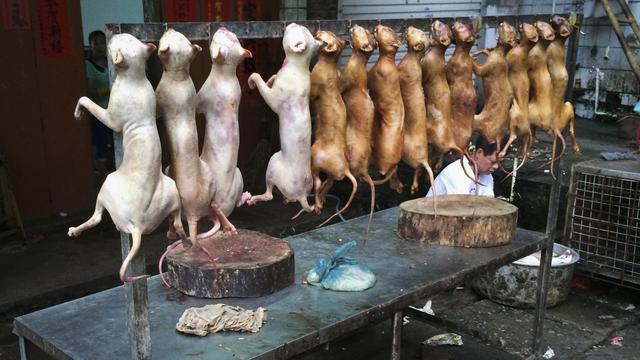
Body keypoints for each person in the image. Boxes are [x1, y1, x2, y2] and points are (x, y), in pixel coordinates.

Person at [426, 132, 499, 197]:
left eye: (499, 163)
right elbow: (461, 208)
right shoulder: (456, 173)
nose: (496, 166)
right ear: (479, 153)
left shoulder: (487, 176)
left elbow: (488, 205)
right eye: (493, 162)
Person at [84, 30, 114, 182]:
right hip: (99, 113)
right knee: (101, 146)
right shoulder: (88, 65)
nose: (100, 46)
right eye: (96, 43)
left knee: (116, 143)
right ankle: (103, 179)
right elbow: (90, 90)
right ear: (90, 46)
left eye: (103, 42)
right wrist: (111, 89)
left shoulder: (112, 62)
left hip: (115, 111)